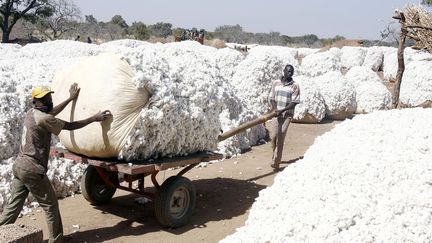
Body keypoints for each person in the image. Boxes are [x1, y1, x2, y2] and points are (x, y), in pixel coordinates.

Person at [0, 83, 111, 243]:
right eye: (45, 99)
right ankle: (56, 240)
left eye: (49, 98)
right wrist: (94, 118)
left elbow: (52, 112)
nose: (49, 101)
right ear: (36, 102)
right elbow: (69, 126)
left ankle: (1, 230)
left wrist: (70, 98)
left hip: (19, 167)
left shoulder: (32, 113)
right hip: (32, 170)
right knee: (50, 206)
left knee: (13, 206)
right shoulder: (44, 118)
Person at [268, 64, 300, 171]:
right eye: (288, 71)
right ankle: (274, 155)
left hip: (287, 115)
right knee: (273, 137)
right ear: (284, 71)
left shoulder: (294, 86)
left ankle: (276, 162)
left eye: (291, 72)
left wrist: (282, 110)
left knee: (281, 136)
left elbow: (294, 102)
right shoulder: (276, 83)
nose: (290, 73)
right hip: (276, 114)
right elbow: (272, 97)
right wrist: (275, 108)